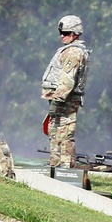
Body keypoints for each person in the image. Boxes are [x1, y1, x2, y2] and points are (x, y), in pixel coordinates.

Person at [41, 15, 91, 168]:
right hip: (61, 101)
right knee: (55, 134)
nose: (62, 36)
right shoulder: (69, 50)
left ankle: (65, 171)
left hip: (65, 102)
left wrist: (57, 100)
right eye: (61, 32)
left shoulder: (73, 52)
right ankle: (55, 167)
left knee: (64, 136)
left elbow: (67, 81)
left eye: (67, 33)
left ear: (75, 33)